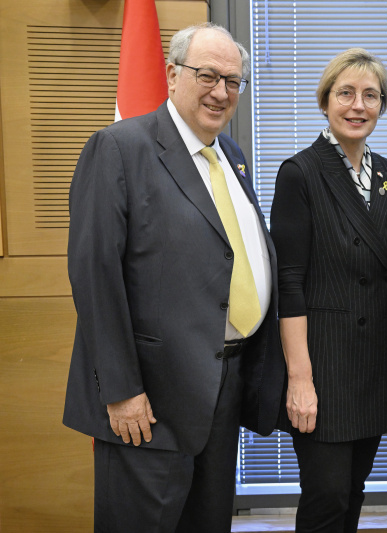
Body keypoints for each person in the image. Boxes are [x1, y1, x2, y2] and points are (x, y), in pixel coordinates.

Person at [63, 23, 285, 532]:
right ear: (172, 74)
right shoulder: (119, 148)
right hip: (149, 401)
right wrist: (120, 389)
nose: (221, 92)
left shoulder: (232, 156)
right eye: (207, 75)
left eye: (233, 81)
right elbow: (95, 275)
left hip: (223, 387)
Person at [269, 48, 387, 533]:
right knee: (325, 498)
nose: (357, 105)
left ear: (382, 107)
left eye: (371, 95)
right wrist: (299, 379)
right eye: (345, 93)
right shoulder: (300, 172)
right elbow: (290, 282)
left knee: (353, 493)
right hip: (323, 368)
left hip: (374, 365)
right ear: (325, 101)